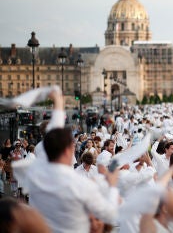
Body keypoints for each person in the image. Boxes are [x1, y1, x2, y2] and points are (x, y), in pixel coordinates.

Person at [12, 88, 120, 233]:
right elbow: (110, 213)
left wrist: (58, 102)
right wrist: (112, 186)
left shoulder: (35, 174)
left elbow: (52, 137)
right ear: (68, 151)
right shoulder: (79, 185)